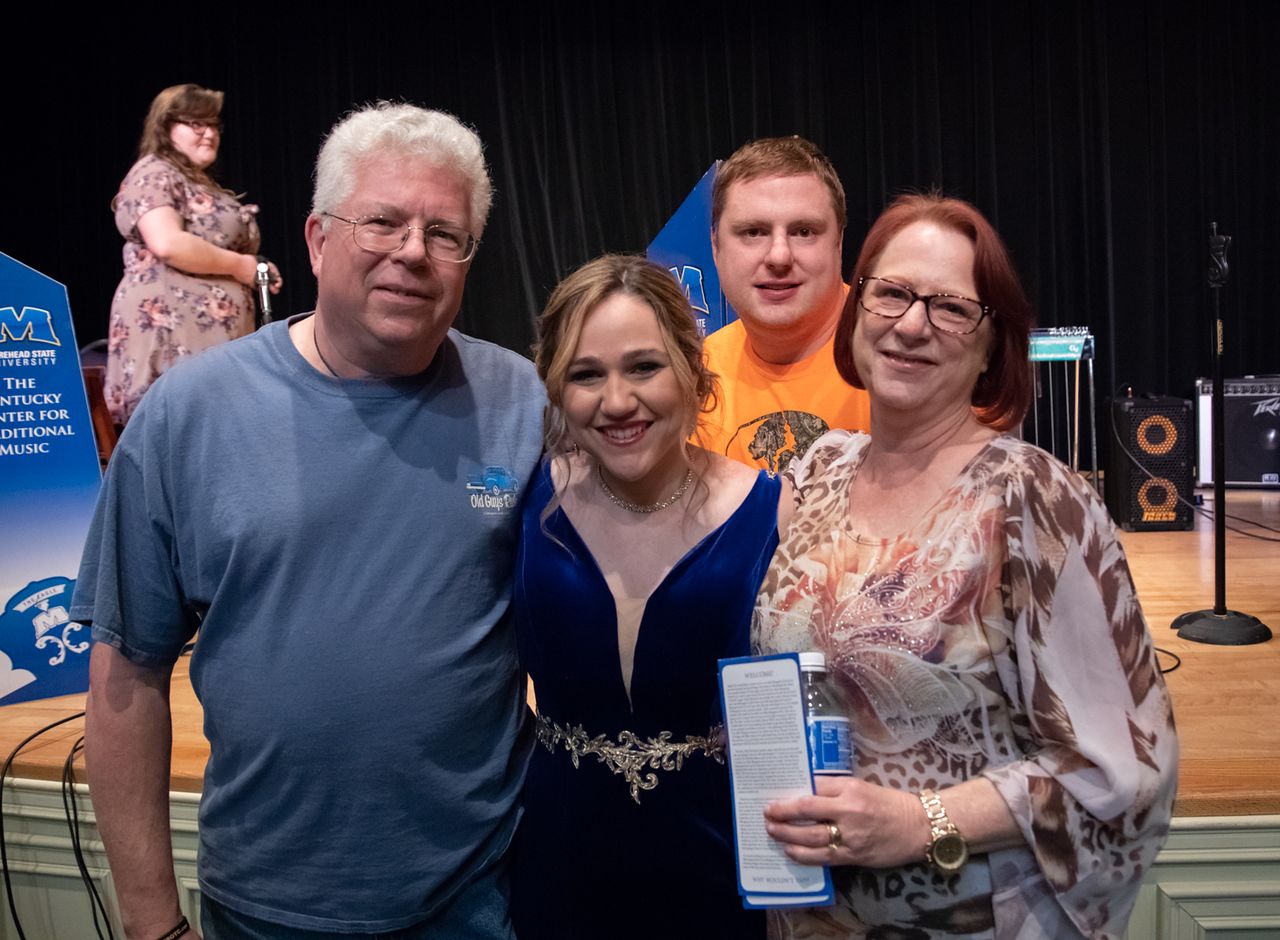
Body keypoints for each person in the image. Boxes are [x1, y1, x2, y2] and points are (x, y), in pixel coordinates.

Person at [74, 102, 544, 939]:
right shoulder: (188, 415)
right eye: (383, 222)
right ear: (318, 241)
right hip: (267, 906)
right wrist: (150, 921)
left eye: (445, 233)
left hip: (482, 896)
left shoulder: (522, 402)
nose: (413, 252)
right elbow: (126, 677)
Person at [754, 194, 1177, 939]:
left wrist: (922, 820)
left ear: (991, 348)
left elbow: (1125, 768)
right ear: (857, 309)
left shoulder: (1031, 496)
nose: (912, 324)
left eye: (951, 308)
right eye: (891, 293)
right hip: (810, 916)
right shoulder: (821, 469)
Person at [510, 255, 790, 940]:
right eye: (586, 374)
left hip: (720, 870)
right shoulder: (528, 497)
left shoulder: (775, 511)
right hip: (559, 864)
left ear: (692, 368)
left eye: (643, 367)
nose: (616, 401)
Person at [105, 83, 282, 426]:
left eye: (213, 124)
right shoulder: (154, 172)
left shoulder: (198, 183)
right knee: (178, 429)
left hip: (212, 338)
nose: (209, 133)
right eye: (196, 124)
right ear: (165, 127)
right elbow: (167, 242)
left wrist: (254, 266)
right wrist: (242, 265)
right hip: (172, 330)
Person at [703, 136, 870, 473]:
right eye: (753, 232)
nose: (779, 256)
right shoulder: (693, 378)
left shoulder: (907, 355)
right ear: (716, 247)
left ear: (838, 244)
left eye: (804, 231)